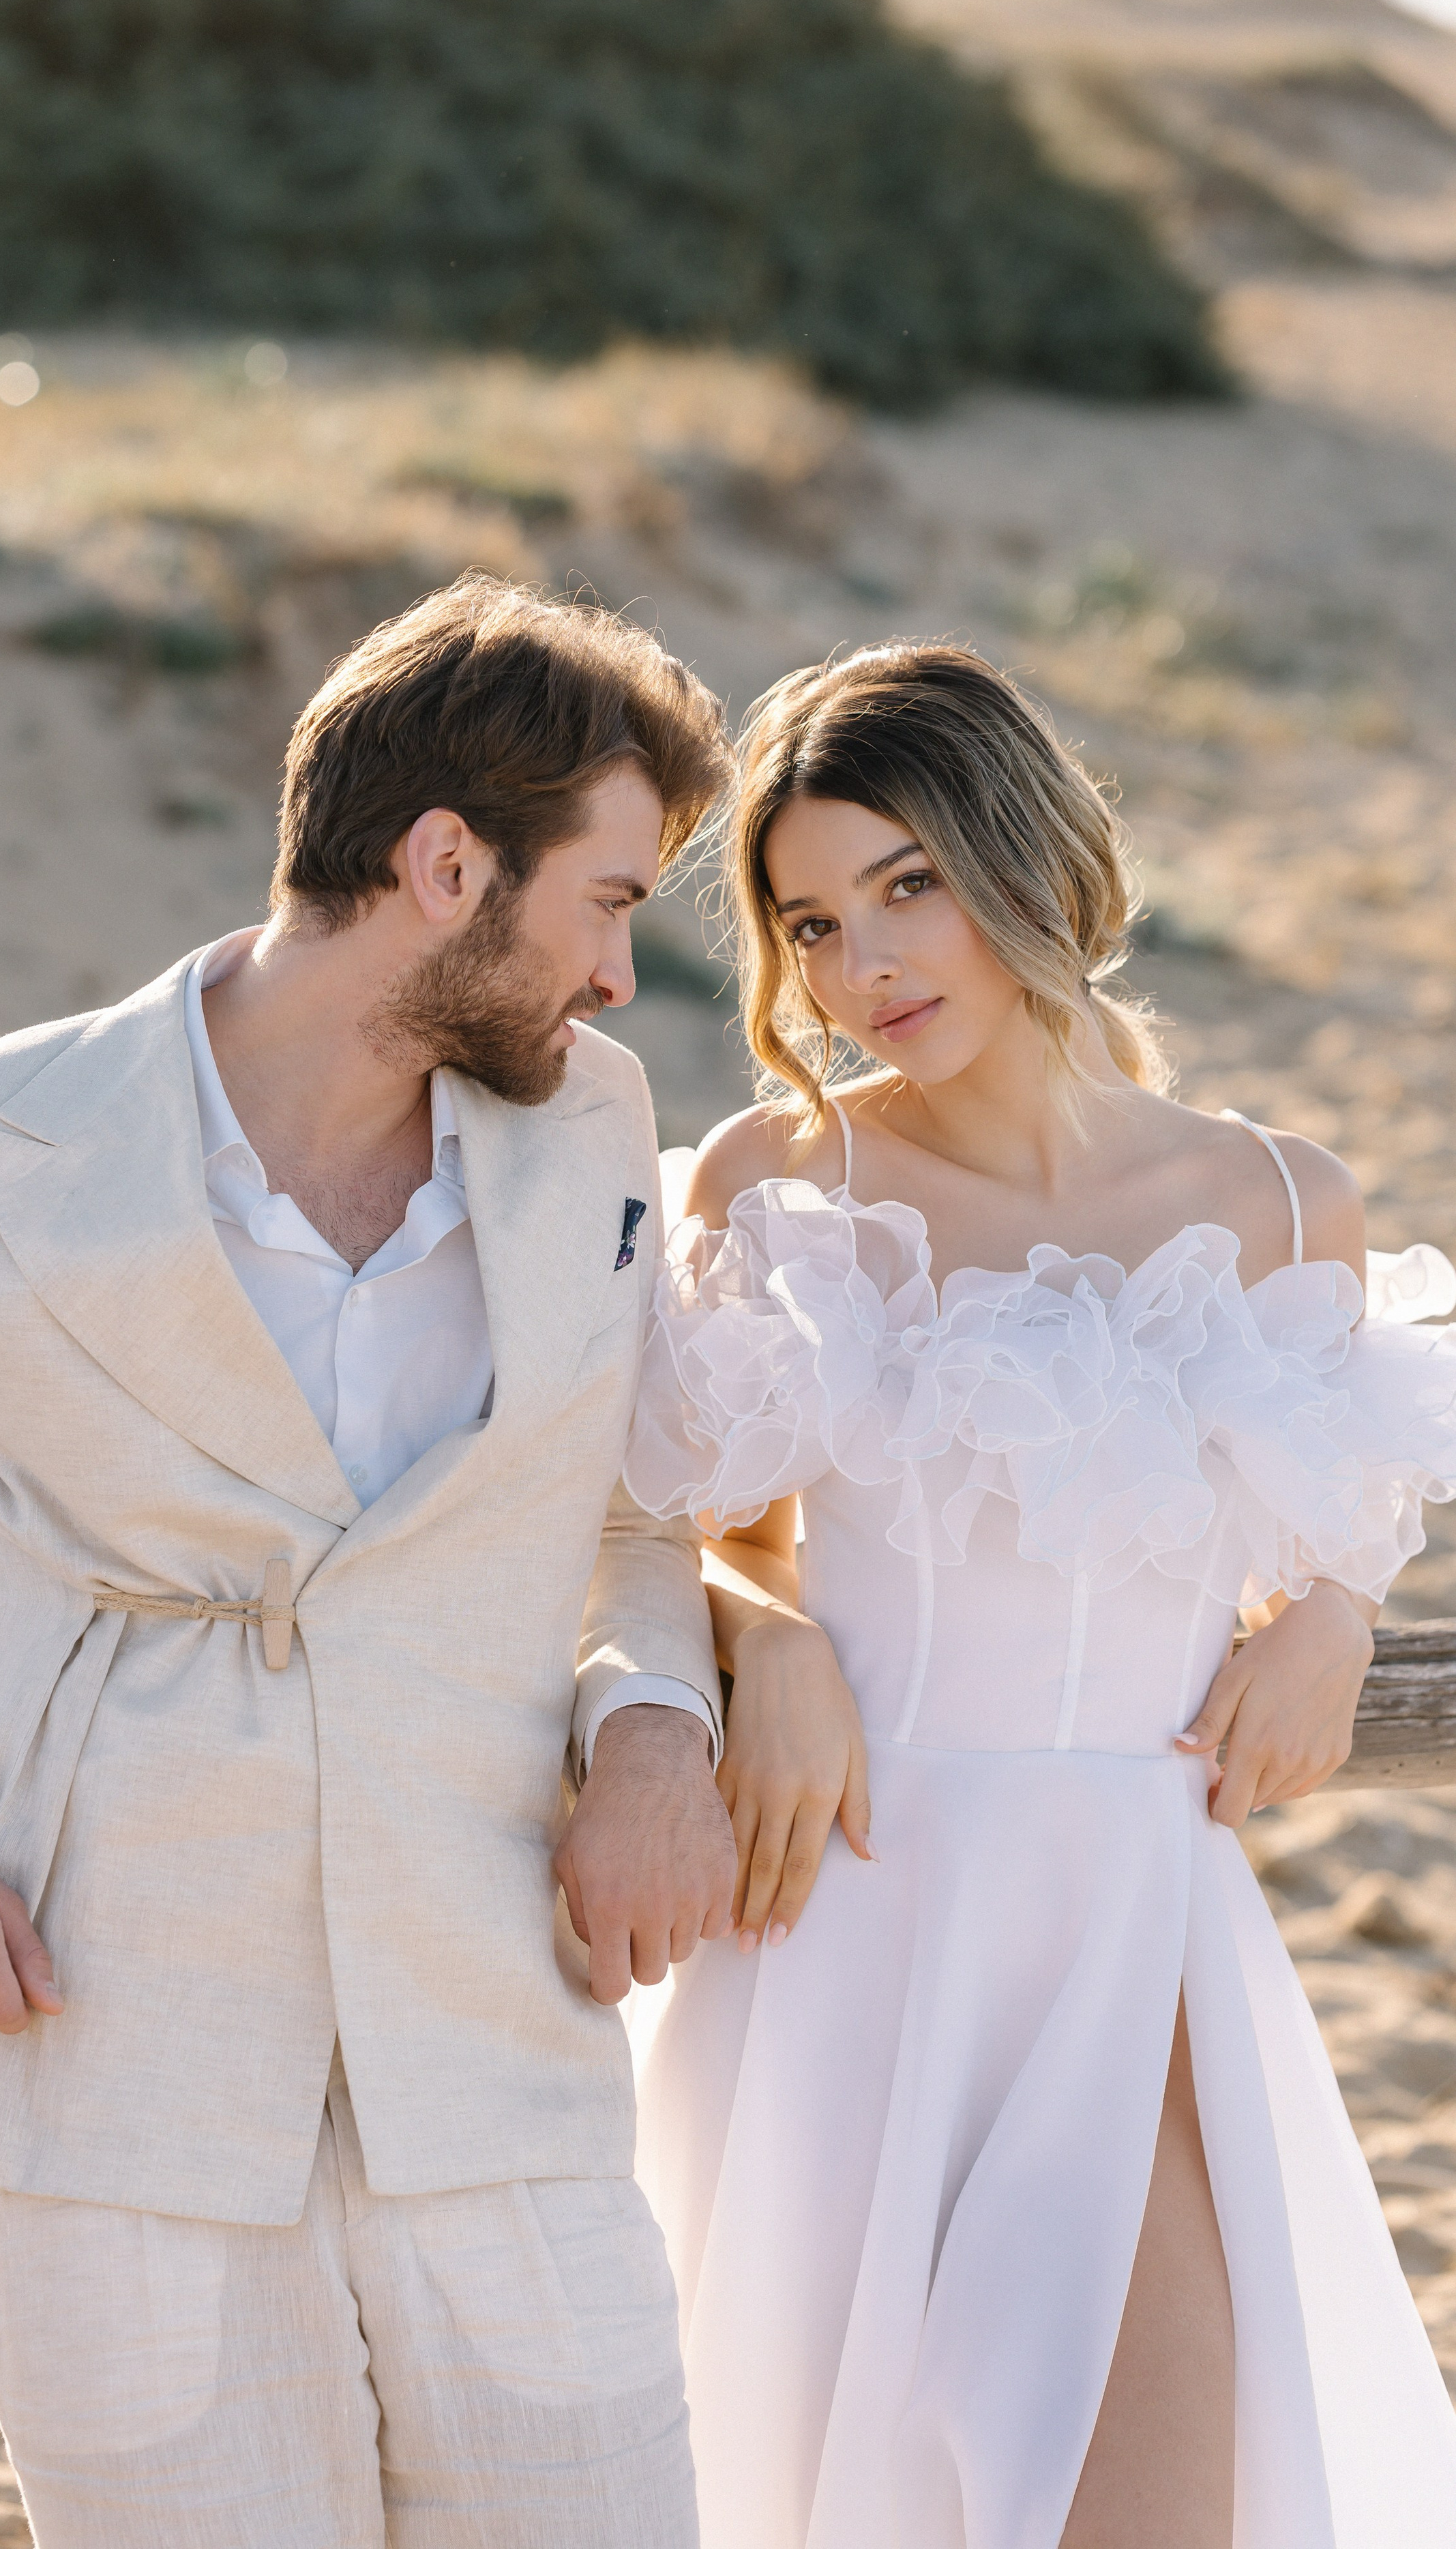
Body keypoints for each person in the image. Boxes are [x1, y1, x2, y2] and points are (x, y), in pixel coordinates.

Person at [0, 576, 741, 2549]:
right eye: (609, 906)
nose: (621, 982)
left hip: (498, 2030)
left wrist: (654, 1734)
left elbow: (628, 1513)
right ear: (449, 863)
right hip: (106, 2048)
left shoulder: (593, 1133)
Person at [622, 643, 1456, 2549]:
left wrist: (1331, 1616)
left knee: (1160, 2485)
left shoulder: (1276, 1201)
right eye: (812, 923)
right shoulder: (784, 1180)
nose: (865, 967)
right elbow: (664, 1531)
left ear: (1025, 856)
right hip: (841, 1910)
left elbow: (1345, 1498)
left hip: (1136, 1929)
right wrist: (779, 1640)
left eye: (907, 884)